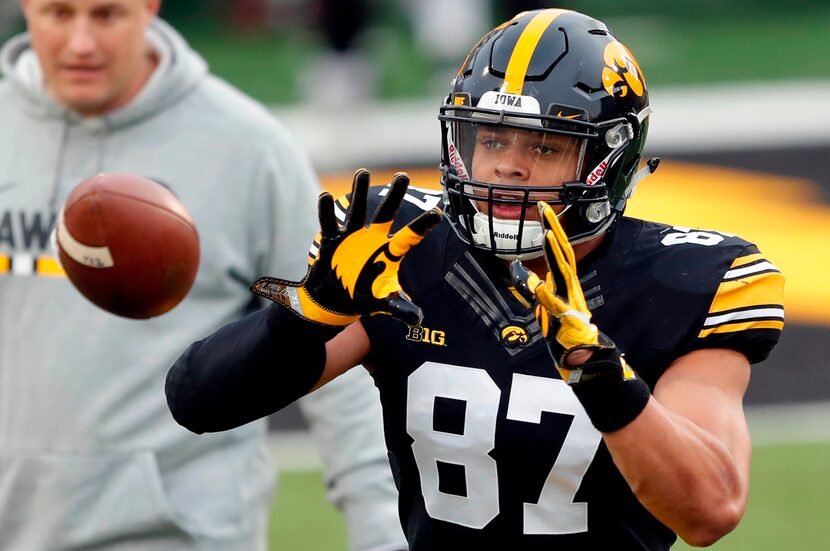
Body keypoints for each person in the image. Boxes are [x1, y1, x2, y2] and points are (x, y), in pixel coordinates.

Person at [166, 7, 786, 550]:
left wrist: (603, 378)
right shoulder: (408, 248)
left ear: (609, 160)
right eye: (491, 140)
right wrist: (309, 312)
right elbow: (198, 401)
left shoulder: (686, 278)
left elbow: (710, 511)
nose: (508, 169)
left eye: (543, 148)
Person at [0, 1, 406, 550]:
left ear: (148, 6)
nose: (81, 43)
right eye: (58, 13)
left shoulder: (250, 147)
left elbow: (340, 345)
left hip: (177, 532)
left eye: (105, 15)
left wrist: (383, 532)